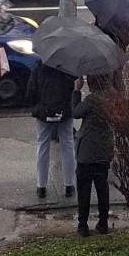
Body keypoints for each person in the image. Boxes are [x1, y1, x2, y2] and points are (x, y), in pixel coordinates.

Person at [73, 73, 115, 236]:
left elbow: (76, 112)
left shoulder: (91, 100)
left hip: (87, 152)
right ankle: (103, 222)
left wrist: (76, 91)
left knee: (84, 189)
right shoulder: (112, 98)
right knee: (102, 187)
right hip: (104, 149)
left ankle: (83, 225)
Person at [26, 62, 77, 200]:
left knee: (42, 145)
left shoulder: (38, 68)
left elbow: (30, 93)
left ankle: (41, 186)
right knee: (67, 145)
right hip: (64, 112)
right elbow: (72, 90)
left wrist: (37, 106)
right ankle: (69, 185)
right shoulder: (68, 69)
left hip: (43, 112)